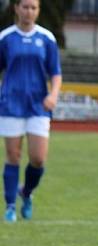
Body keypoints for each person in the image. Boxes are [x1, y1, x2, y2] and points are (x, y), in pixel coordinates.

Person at [0, 0, 61, 224]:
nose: (29, 11)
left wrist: (53, 94)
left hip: (38, 106)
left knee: (37, 158)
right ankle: (9, 207)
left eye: (33, 7)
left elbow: (55, 72)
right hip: (11, 105)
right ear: (16, 8)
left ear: (38, 10)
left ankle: (26, 193)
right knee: (13, 155)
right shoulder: (6, 38)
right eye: (25, 6)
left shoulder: (47, 38)